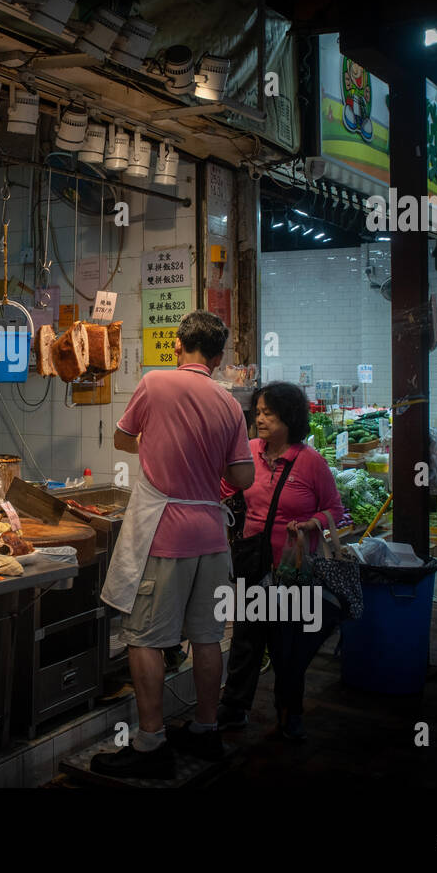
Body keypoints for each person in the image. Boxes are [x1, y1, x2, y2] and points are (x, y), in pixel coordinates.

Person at [90, 311, 254, 779]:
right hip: (212, 537)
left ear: (178, 345)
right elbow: (243, 476)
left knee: (144, 638)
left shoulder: (154, 383)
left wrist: (154, 444)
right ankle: (206, 730)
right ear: (219, 359)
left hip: (164, 533)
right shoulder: (227, 402)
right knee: (206, 638)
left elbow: (123, 438)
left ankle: (150, 743)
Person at [218, 382, 345, 743]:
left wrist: (312, 523)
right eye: (257, 412)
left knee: (287, 647)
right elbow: (227, 489)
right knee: (245, 642)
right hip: (252, 564)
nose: (259, 419)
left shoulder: (310, 462)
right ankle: (234, 709)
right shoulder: (249, 452)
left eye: (268, 413)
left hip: (292, 571)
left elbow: (335, 510)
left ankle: (290, 713)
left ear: (289, 417)